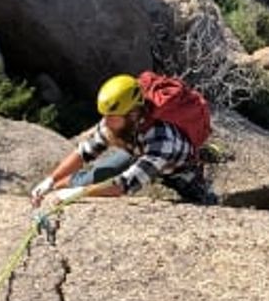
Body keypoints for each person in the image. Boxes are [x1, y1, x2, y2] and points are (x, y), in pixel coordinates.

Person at [30, 73, 216, 207]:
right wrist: (50, 181)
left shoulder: (162, 139)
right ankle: (58, 187)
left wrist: (77, 194)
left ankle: (211, 196)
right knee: (93, 177)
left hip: (178, 172)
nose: (106, 121)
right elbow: (84, 153)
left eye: (112, 116)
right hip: (140, 151)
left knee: (204, 202)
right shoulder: (117, 121)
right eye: (105, 115)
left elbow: (124, 185)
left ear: (133, 114)